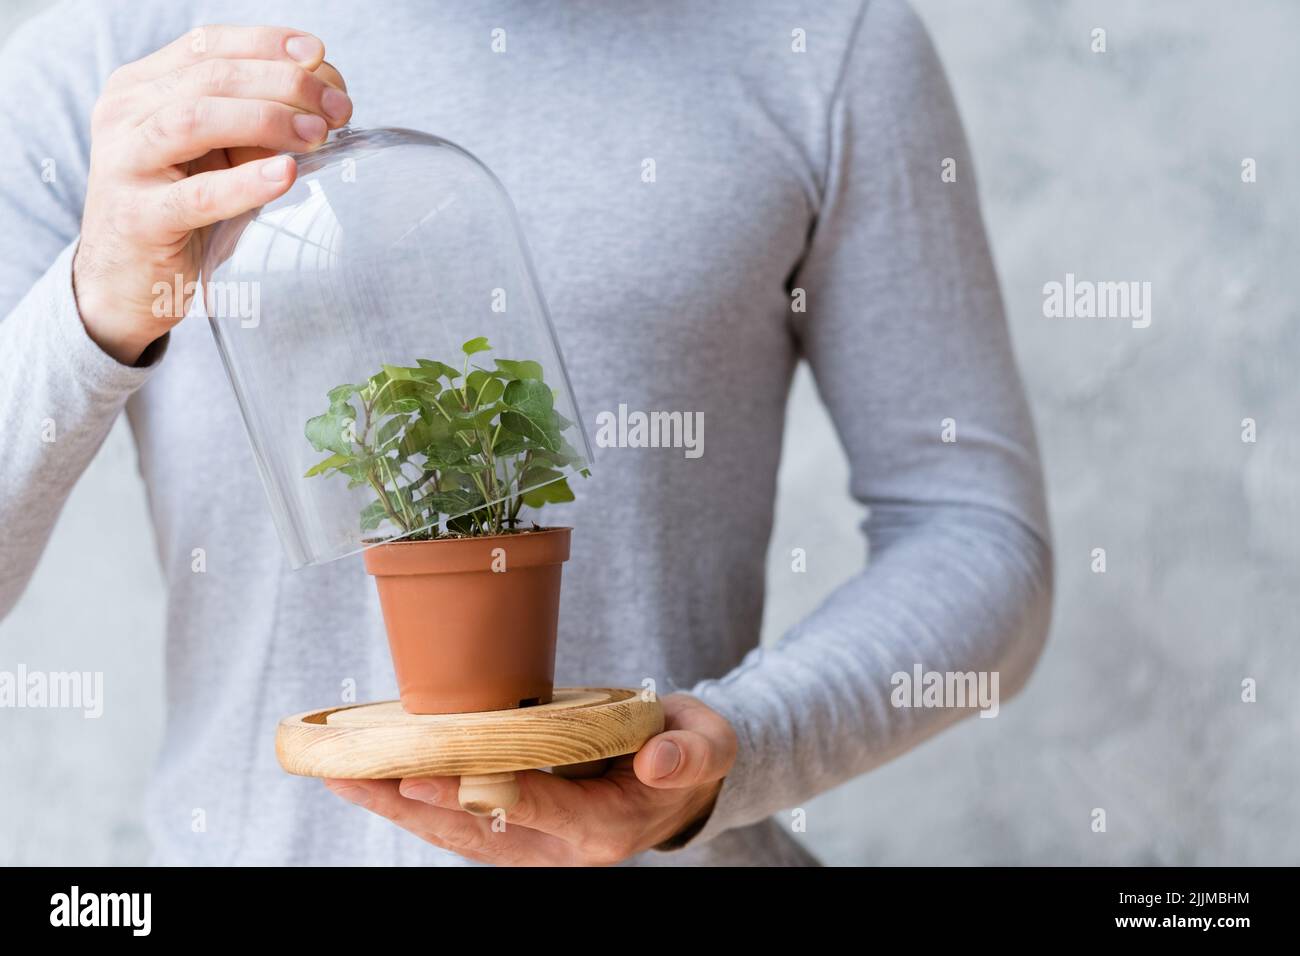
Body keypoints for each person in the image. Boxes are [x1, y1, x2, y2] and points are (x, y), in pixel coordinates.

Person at [0, 0, 1052, 866]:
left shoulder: (823, 42)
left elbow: (973, 532)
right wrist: (95, 303)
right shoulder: (106, 60)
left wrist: (725, 755)